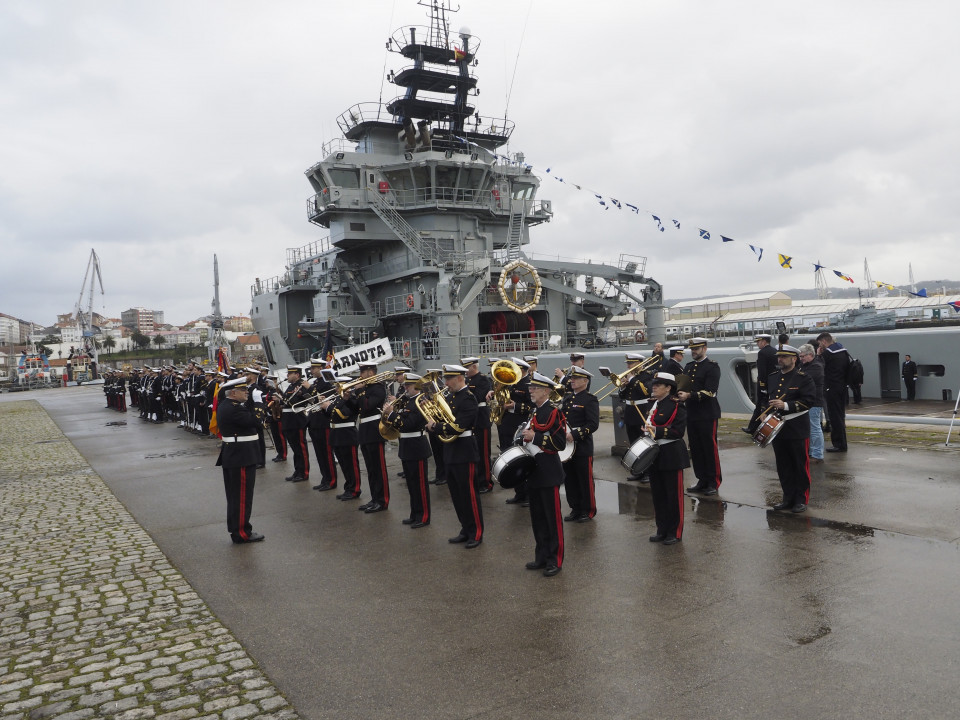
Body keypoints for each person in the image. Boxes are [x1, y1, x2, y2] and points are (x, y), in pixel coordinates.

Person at [427, 364, 483, 549]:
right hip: (450, 451)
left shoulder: (468, 398)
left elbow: (460, 426)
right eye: (446, 379)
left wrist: (436, 427)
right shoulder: (450, 397)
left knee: (469, 494)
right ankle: (465, 529)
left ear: (460, 378)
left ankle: (476, 532)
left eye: (449, 379)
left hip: (465, 450)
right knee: (457, 495)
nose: (446, 383)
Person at [521, 372, 567, 576]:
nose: (530, 390)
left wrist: (535, 437)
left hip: (548, 470)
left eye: (535, 388)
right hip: (534, 470)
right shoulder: (535, 412)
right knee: (537, 517)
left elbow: (559, 443)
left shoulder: (553, 412)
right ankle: (541, 555)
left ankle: (554, 559)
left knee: (552, 518)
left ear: (546, 391)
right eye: (530, 388)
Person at [766, 345, 817, 513]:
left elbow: (809, 401)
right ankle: (787, 498)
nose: (780, 359)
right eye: (779, 356)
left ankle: (801, 499)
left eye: (784, 357)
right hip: (777, 428)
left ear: (794, 359)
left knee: (799, 465)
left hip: (796, 427)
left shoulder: (803, 378)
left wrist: (786, 405)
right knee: (783, 466)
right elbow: (765, 399)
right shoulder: (773, 377)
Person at [215, 378, 265, 544]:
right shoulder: (234, 409)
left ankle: (237, 529)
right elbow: (257, 422)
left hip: (235, 455)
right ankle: (242, 532)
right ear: (233, 393)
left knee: (235, 497)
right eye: (244, 390)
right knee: (242, 497)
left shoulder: (227, 406)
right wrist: (258, 403)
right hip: (241, 456)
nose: (247, 392)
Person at [644, 372, 690, 545]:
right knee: (658, 495)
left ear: (669, 388)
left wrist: (656, 430)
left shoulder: (676, 406)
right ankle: (661, 529)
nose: (654, 387)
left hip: (671, 453)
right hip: (655, 454)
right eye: (654, 384)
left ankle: (674, 532)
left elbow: (678, 431)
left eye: (658, 384)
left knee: (673, 496)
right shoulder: (654, 404)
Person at [383, 374, 432, 527]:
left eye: (408, 386)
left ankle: (423, 516)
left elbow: (409, 424)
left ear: (416, 386)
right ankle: (414, 513)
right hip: (407, 445)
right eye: (405, 385)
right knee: (411, 484)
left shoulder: (421, 402)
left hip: (417, 445)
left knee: (420, 485)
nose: (405, 388)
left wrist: (392, 414)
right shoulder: (407, 401)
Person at [679, 338, 723, 495]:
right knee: (696, 448)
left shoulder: (712, 367)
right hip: (691, 413)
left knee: (709, 448)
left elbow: (710, 391)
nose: (693, 352)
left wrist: (689, 395)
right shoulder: (689, 367)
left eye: (696, 349)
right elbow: (682, 386)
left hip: (707, 413)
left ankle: (713, 481)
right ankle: (702, 479)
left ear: (704, 348)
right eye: (692, 349)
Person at [346, 362, 389, 514]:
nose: (360, 375)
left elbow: (367, 406)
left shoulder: (378, 387)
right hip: (364, 431)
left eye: (363, 372)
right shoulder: (366, 389)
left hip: (375, 431)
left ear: (371, 373)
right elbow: (357, 409)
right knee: (370, 469)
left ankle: (382, 500)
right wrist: (347, 398)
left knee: (379, 468)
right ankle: (374, 498)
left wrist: (359, 392)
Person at [561, 367, 599, 522]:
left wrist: (575, 435)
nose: (572, 381)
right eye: (571, 378)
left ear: (585, 381)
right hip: (567, 447)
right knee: (570, 479)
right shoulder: (568, 398)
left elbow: (593, 424)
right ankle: (575, 508)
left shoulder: (590, 400)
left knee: (584, 479)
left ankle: (588, 510)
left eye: (576, 379)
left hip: (582, 445)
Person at [321, 379, 363, 501]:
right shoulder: (338, 398)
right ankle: (348, 488)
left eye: (339, 386)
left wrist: (328, 407)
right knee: (344, 465)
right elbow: (331, 416)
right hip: (336, 434)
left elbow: (344, 414)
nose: (336, 389)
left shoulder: (352, 399)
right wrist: (324, 407)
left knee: (351, 465)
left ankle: (355, 489)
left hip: (347, 434)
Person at [618, 353, 655, 482]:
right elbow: (623, 396)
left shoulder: (647, 375)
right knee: (633, 444)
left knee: (644, 443)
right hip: (630, 411)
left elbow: (646, 392)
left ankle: (648, 472)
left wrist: (633, 379)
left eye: (631, 363)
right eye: (628, 363)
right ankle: (638, 470)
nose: (628, 366)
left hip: (642, 411)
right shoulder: (629, 377)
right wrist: (622, 386)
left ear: (639, 363)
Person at [816, 332, 850, 453]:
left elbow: (818, 367)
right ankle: (842, 443)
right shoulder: (843, 350)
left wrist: (818, 355)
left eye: (820, 343)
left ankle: (839, 444)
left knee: (834, 417)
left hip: (831, 388)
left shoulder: (827, 353)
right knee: (840, 416)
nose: (820, 346)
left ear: (824, 342)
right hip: (842, 387)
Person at [463, 357, 493, 493]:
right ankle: (477, 480)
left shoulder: (483, 379)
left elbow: (479, 397)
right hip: (472, 420)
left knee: (483, 453)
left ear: (473, 367)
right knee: (475, 452)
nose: (465, 371)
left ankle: (486, 482)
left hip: (481, 419)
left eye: (466, 368)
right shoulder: (468, 380)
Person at [307, 361, 337, 491]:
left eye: (314, 368)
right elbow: (313, 400)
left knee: (327, 453)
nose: (311, 371)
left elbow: (324, 399)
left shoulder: (326, 383)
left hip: (323, 421)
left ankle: (331, 480)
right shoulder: (315, 383)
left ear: (321, 368)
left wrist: (309, 389)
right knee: (319, 454)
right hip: (314, 421)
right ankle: (324, 478)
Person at [742, 334, 777, 436]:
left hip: (764, 383)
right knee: (769, 406)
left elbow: (762, 371)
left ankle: (753, 428)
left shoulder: (762, 353)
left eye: (758, 341)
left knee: (760, 405)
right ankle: (757, 427)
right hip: (773, 382)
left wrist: (762, 385)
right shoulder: (774, 351)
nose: (757, 344)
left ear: (764, 341)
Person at [281, 365, 311, 481]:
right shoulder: (290, 386)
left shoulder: (302, 385)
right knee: (295, 448)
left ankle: (304, 472)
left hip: (297, 419)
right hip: (288, 420)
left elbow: (300, 401)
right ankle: (297, 470)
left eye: (290, 373)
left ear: (297, 375)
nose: (287, 375)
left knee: (300, 448)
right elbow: (285, 400)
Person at [798, 344, 825, 463]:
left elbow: (803, 379)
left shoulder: (816, 367)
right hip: (808, 401)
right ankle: (812, 451)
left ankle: (817, 454)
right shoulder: (806, 365)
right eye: (800, 356)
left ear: (810, 355)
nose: (801, 359)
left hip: (814, 402)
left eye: (803, 356)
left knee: (815, 428)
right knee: (811, 427)